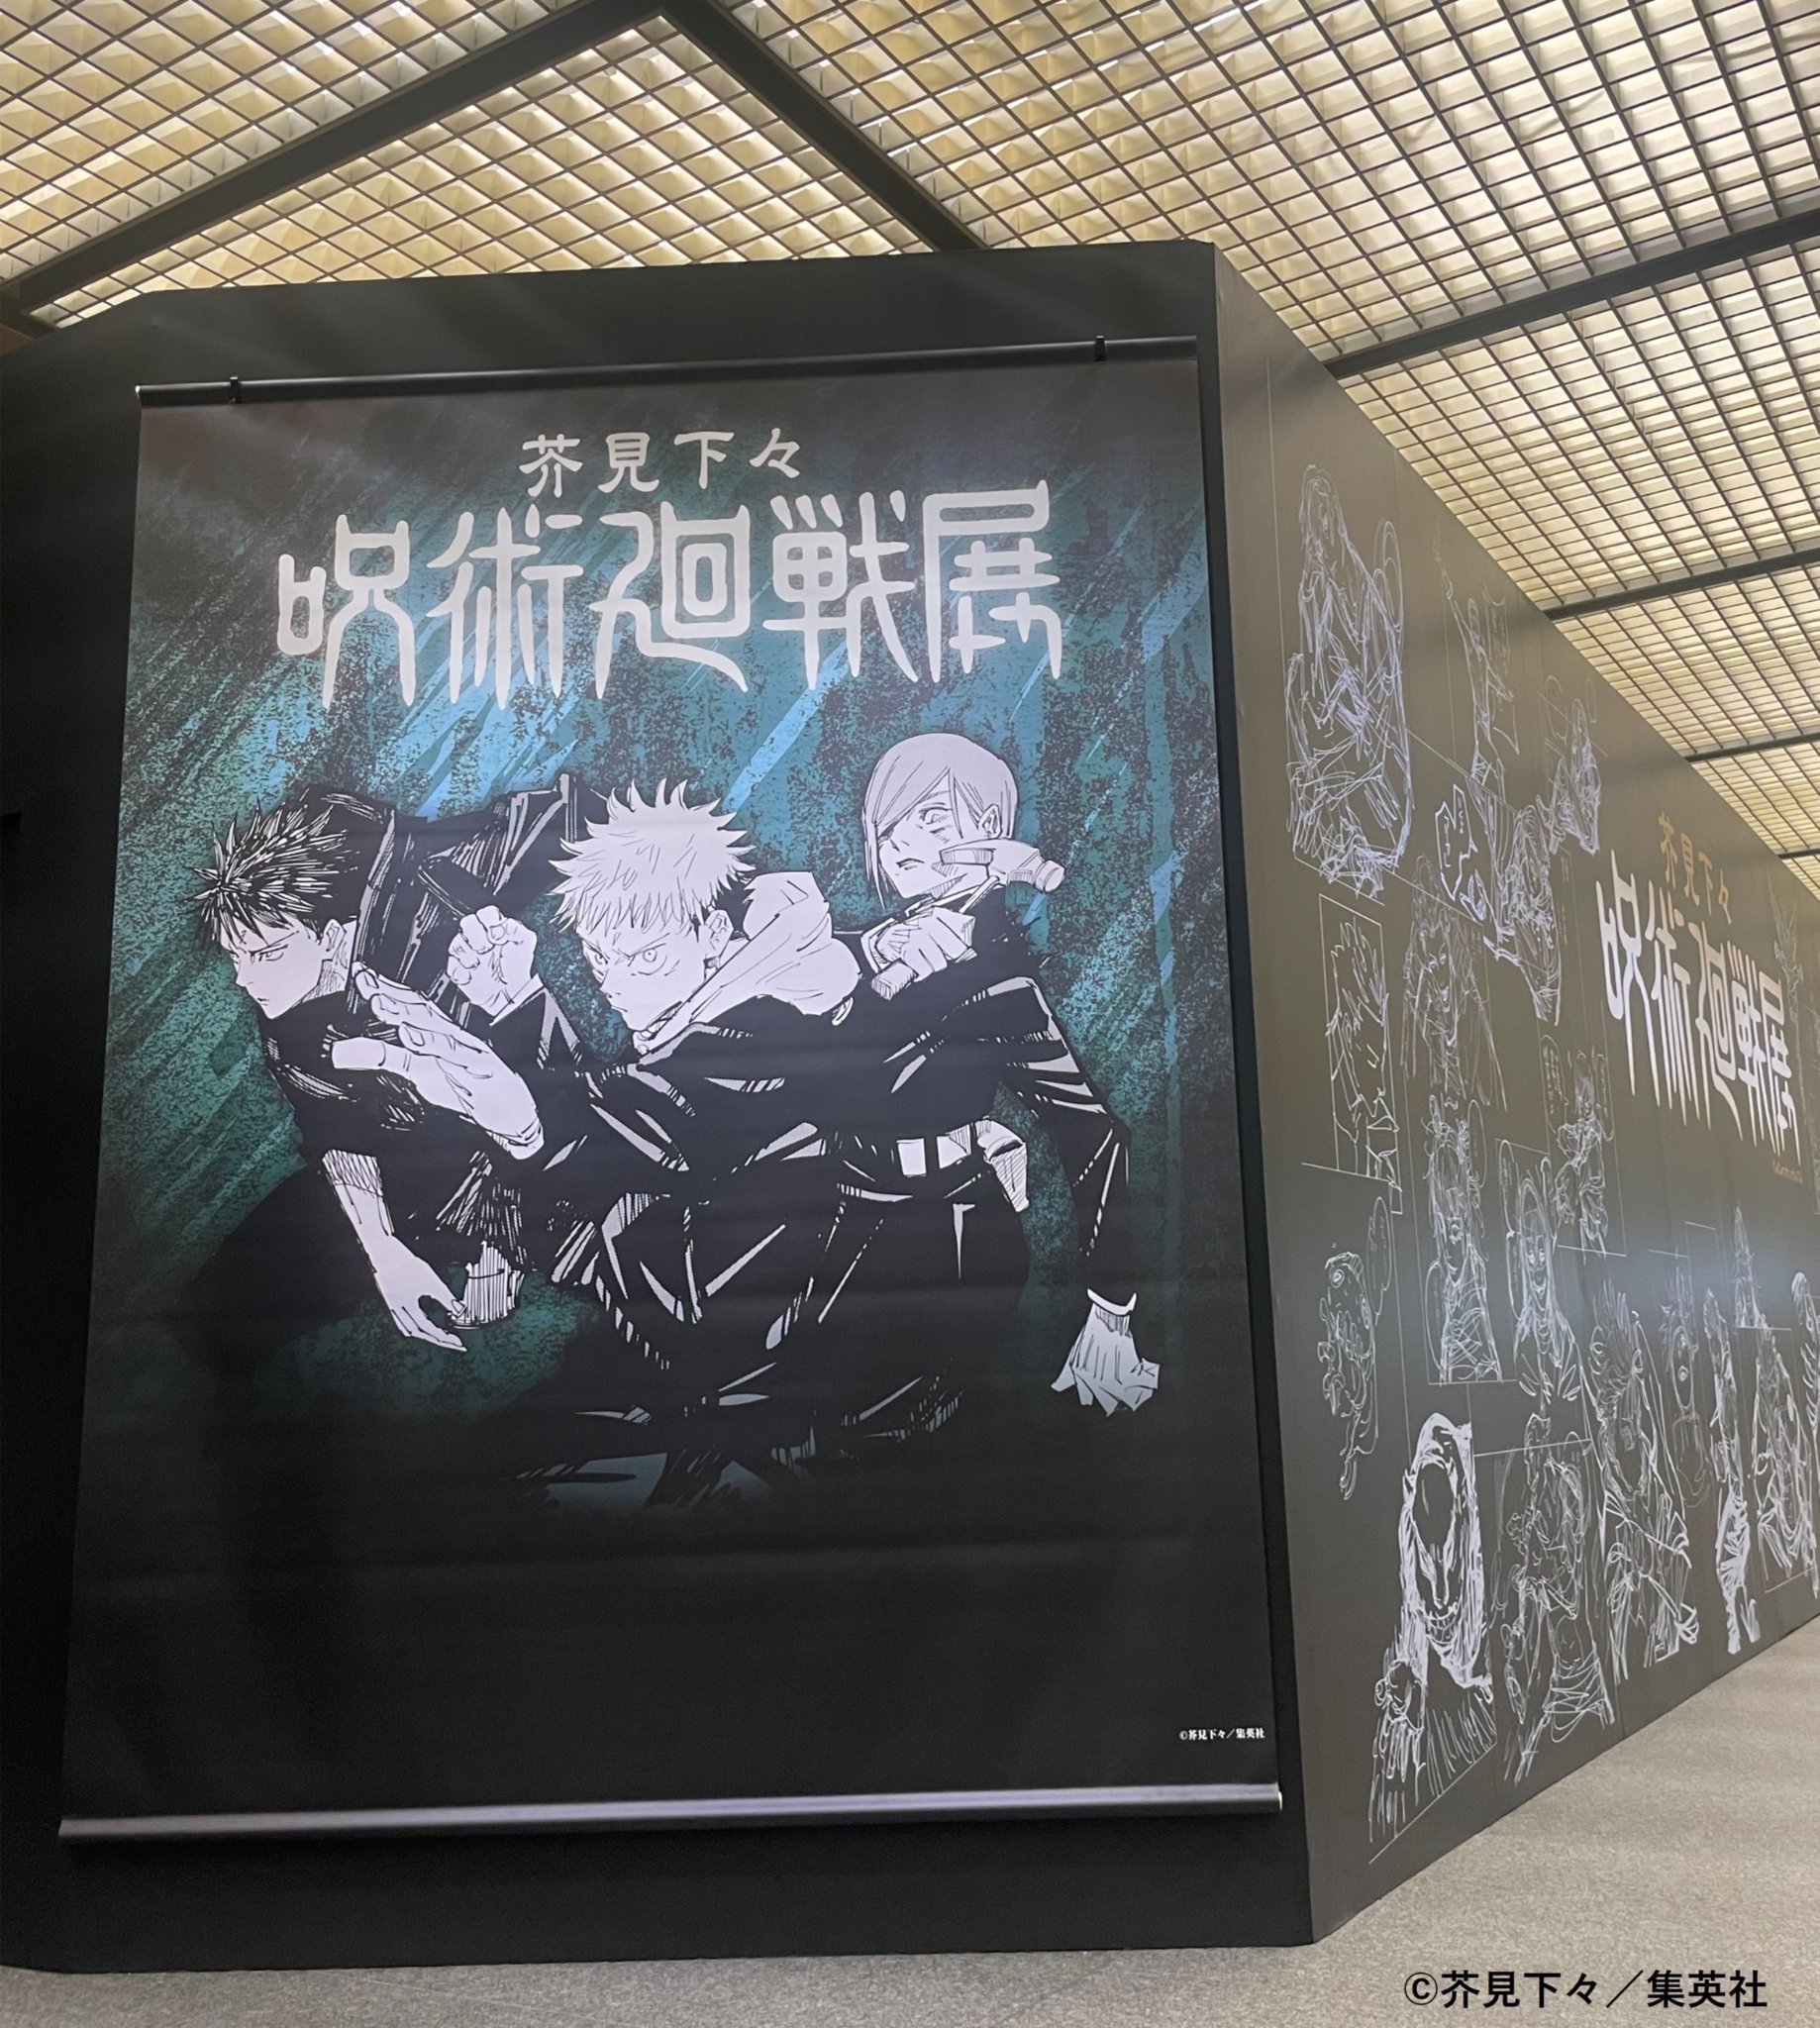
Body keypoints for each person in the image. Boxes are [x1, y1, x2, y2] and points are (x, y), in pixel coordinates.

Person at [333, 783, 861, 1496]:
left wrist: (522, 1102)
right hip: (693, 1391)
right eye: (600, 958)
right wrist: (516, 1013)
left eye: (646, 958)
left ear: (714, 936)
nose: (618, 986)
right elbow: (610, 1207)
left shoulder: (770, 1034)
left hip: (766, 1422)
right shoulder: (698, 1035)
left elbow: (649, 1123)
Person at [795, 732, 1156, 1444]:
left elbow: (1095, 1134)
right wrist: (875, 949)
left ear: (988, 831)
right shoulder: (873, 946)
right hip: (838, 1209)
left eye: (932, 819)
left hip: (942, 1234)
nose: (901, 843)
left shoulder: (1000, 986)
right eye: (889, 826)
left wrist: (1111, 1310)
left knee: (873, 1439)